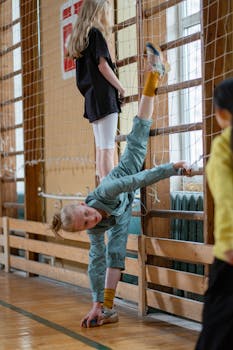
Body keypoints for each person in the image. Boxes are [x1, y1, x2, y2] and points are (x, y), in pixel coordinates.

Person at [52, 43, 191, 328]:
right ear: (84, 230)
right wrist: (95, 303)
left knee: (139, 128)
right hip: (120, 214)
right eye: (88, 224)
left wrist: (172, 167)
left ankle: (155, 74)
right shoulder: (94, 229)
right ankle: (107, 308)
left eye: (88, 214)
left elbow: (139, 179)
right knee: (113, 253)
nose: (92, 218)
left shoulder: (104, 193)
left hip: (123, 179)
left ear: (84, 204)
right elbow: (96, 265)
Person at [67, 0, 125, 182]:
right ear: (98, 11)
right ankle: (109, 192)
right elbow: (103, 66)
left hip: (91, 98)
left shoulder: (82, 38)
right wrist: (120, 87)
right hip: (104, 97)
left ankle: (103, 188)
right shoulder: (95, 33)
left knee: (101, 148)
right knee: (107, 148)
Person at [195, 78, 233, 350]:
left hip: (230, 258)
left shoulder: (223, 147)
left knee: (215, 336)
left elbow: (227, 198)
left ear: (220, 114)